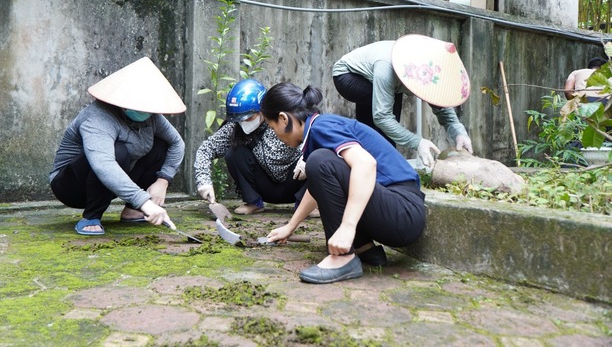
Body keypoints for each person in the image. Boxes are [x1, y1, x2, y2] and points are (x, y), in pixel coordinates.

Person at [261, 82, 425, 284]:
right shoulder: (318, 130)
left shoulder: (322, 127)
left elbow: (365, 164)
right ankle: (365, 249)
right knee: (319, 163)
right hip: (395, 212)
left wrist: (347, 227)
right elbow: (321, 188)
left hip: (403, 211)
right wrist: (290, 226)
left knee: (319, 161)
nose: (276, 136)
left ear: (283, 118)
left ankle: (343, 258)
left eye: (272, 127)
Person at [49, 57, 186, 236]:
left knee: (160, 146)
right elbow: (103, 164)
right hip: (72, 186)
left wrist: (163, 181)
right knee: (118, 151)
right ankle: (91, 216)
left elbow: (177, 143)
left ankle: (132, 210)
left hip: (112, 183)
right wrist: (145, 202)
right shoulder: (98, 117)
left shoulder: (152, 117)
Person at [332, 34, 473, 168]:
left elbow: (439, 104)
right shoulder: (386, 68)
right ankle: (384, 167)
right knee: (383, 118)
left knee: (374, 131)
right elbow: (382, 117)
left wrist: (459, 132)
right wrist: (418, 142)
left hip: (374, 77)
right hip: (347, 76)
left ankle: (374, 165)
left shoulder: (425, 66)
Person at [194, 79, 308, 215]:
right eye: (240, 119)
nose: (244, 123)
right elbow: (206, 149)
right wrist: (204, 182)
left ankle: (306, 205)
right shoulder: (235, 128)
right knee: (234, 152)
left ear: (262, 110)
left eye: (248, 118)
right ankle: (253, 202)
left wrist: (307, 156)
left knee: (316, 157)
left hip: (296, 182)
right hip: (264, 187)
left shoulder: (283, 122)